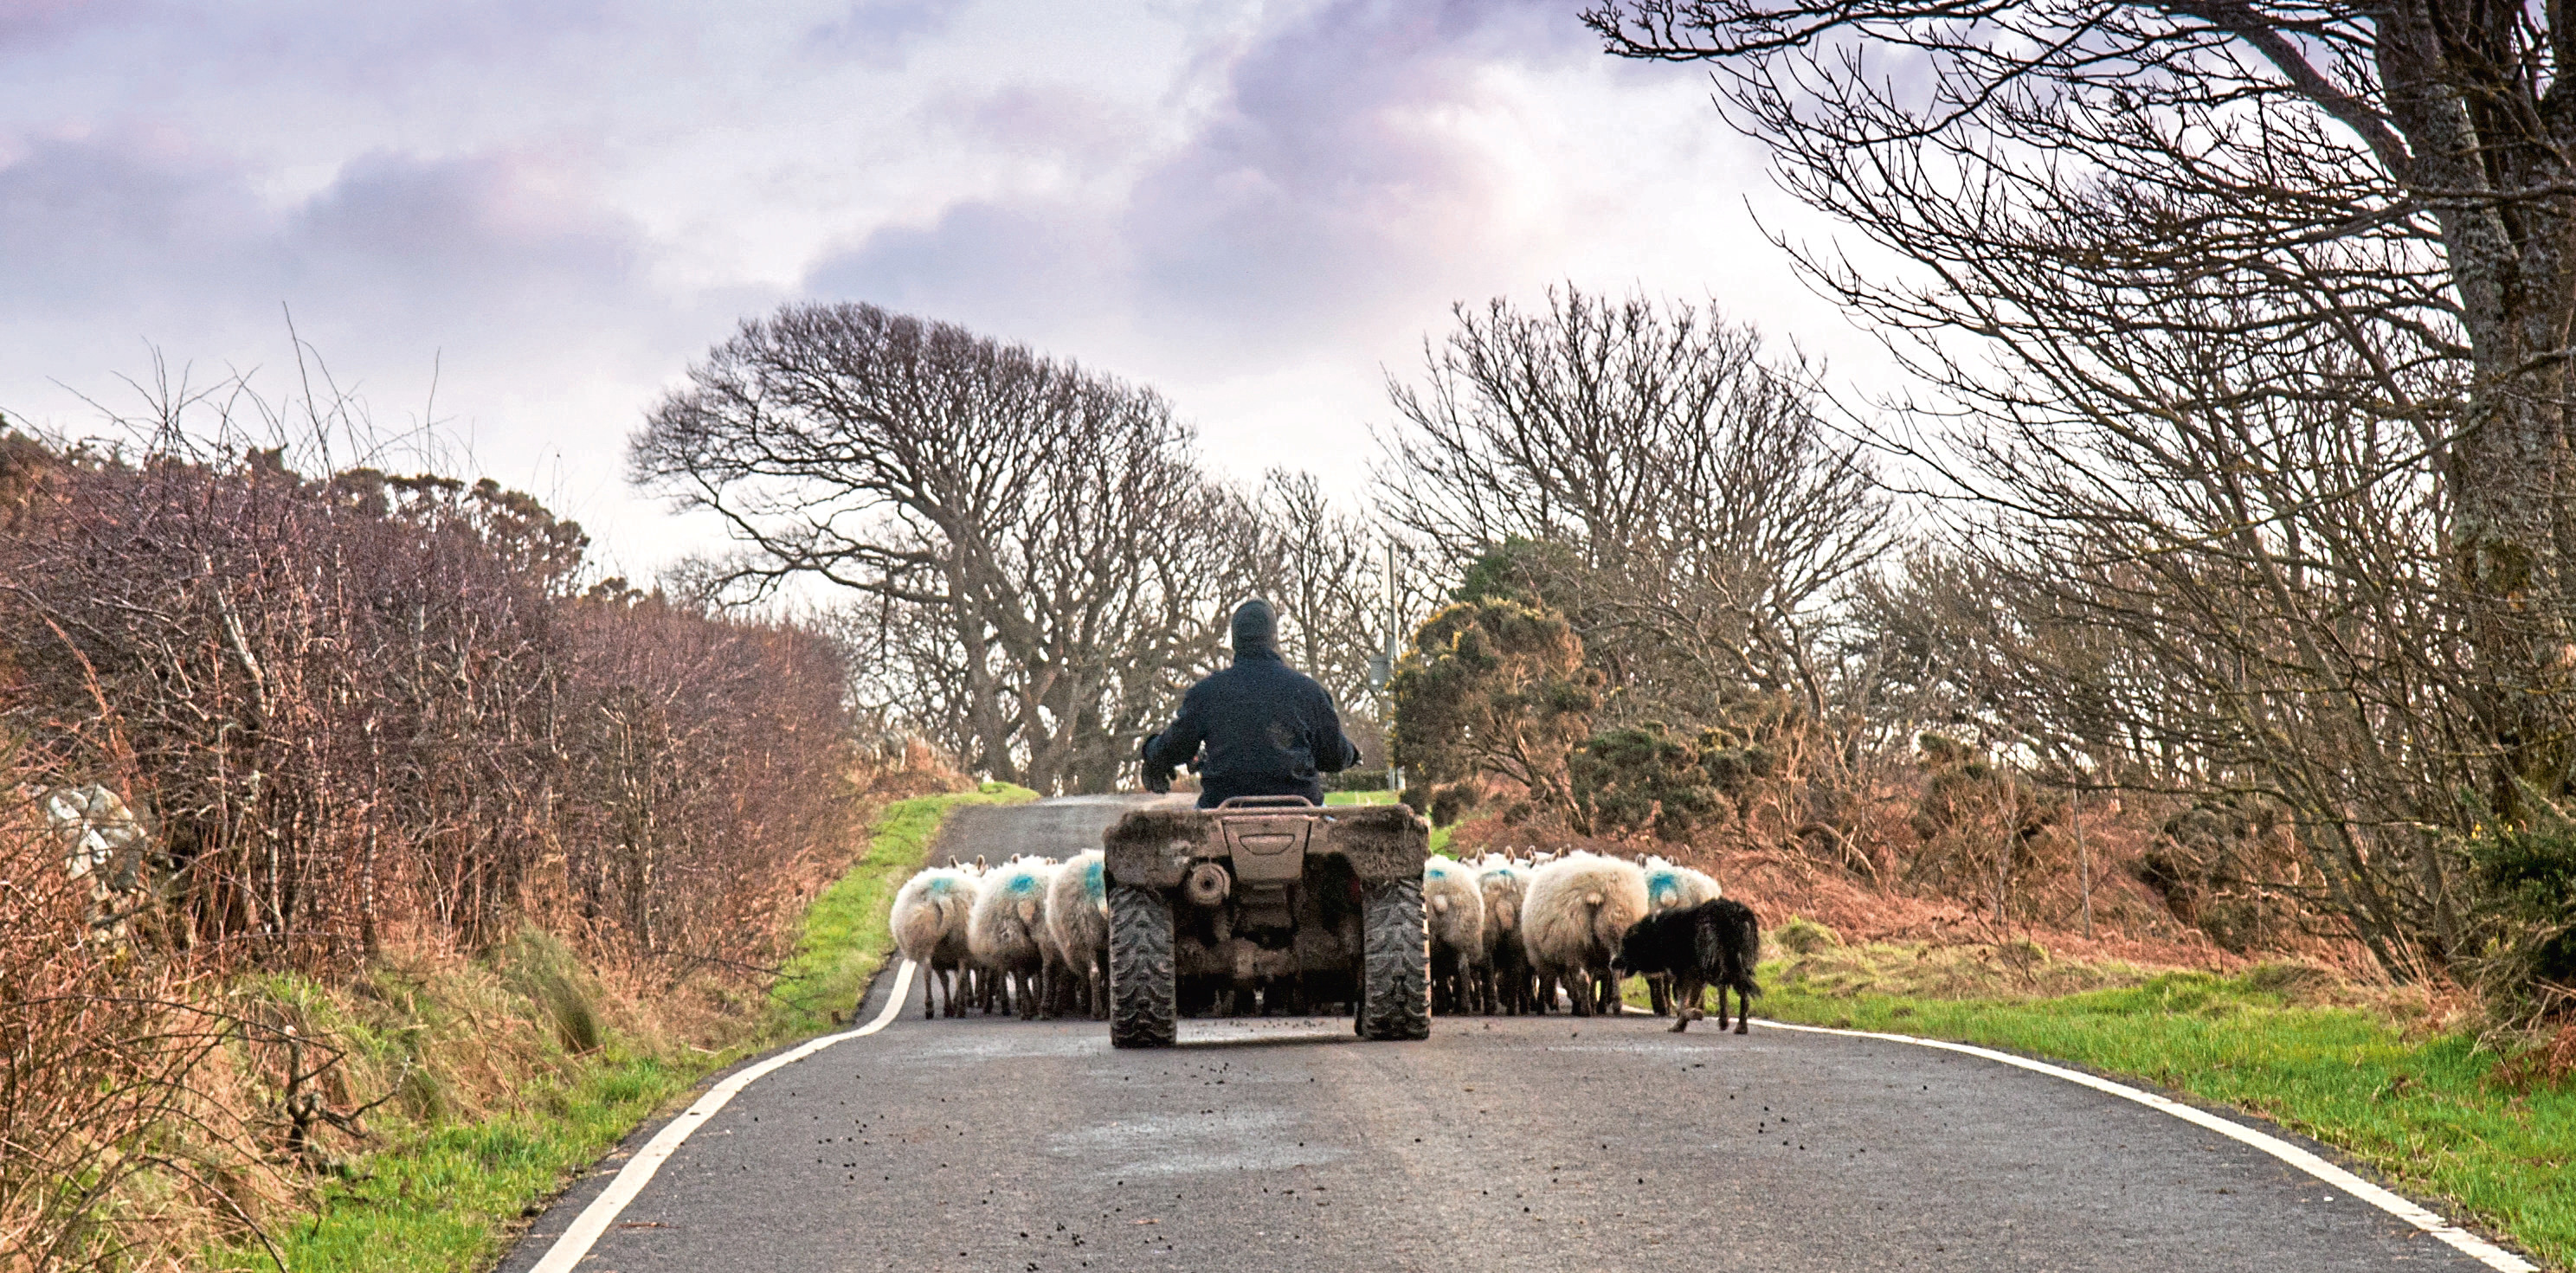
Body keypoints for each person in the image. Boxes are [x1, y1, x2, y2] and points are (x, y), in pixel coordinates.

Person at [1140, 598, 1362, 807]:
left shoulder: (1206, 693)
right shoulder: (1308, 691)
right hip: (1299, 811)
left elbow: (1174, 748)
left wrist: (1151, 754)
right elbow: (1333, 757)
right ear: (1273, 638)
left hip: (1224, 812)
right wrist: (1353, 754)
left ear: (1235, 641)